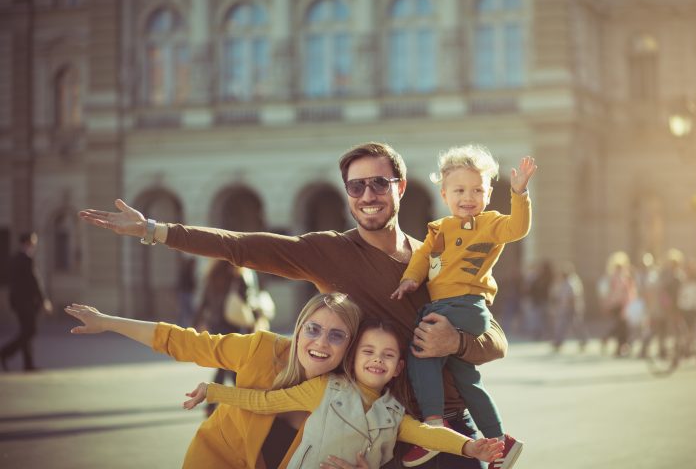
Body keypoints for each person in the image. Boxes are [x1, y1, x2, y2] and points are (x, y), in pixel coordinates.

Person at [79, 142, 509, 469]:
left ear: (401, 186)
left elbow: (495, 341)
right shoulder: (328, 251)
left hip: (450, 422)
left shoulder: (435, 257)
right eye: (356, 186)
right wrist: (155, 230)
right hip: (380, 429)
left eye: (379, 183)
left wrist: (456, 342)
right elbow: (241, 246)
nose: (368, 194)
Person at [65, 292, 363, 469]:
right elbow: (186, 342)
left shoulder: (351, 399)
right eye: (313, 329)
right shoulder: (262, 349)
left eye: (337, 335)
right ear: (298, 330)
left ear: (350, 346)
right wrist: (108, 323)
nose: (321, 342)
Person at [183, 319, 505, 469]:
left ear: (398, 368)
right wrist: (213, 391)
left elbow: (428, 434)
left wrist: (469, 446)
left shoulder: (394, 414)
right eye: (368, 351)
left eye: (388, 355)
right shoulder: (324, 388)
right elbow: (264, 402)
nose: (377, 359)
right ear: (352, 359)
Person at [390, 145, 534, 468]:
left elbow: (518, 228)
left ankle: (433, 426)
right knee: (466, 381)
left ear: (488, 194)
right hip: (451, 307)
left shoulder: (489, 223)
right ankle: (500, 441)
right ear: (444, 194)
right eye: (459, 190)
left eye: (477, 190)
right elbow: (421, 257)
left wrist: (519, 193)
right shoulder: (439, 229)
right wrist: (410, 279)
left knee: (422, 351)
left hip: (466, 306)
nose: (468, 197)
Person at [192, 259, 248, 416]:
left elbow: (204, 302)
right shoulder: (237, 276)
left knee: (225, 365)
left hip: (216, 325)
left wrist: (197, 322)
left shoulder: (212, 275)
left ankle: (214, 403)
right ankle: (243, 399)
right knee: (230, 366)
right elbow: (246, 299)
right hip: (233, 326)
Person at [1, 232, 53, 372]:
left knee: (25, 331)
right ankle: (5, 352)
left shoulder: (14, 259)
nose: (34, 246)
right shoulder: (27, 259)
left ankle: (28, 364)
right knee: (30, 330)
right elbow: (35, 282)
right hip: (27, 303)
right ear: (26, 243)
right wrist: (44, 300)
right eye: (33, 243)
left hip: (18, 302)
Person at [176, 256, 197, 327]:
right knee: (187, 310)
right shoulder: (188, 272)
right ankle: (185, 325)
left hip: (185, 293)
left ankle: (185, 325)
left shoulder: (186, 271)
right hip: (187, 293)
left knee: (185, 310)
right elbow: (191, 283)